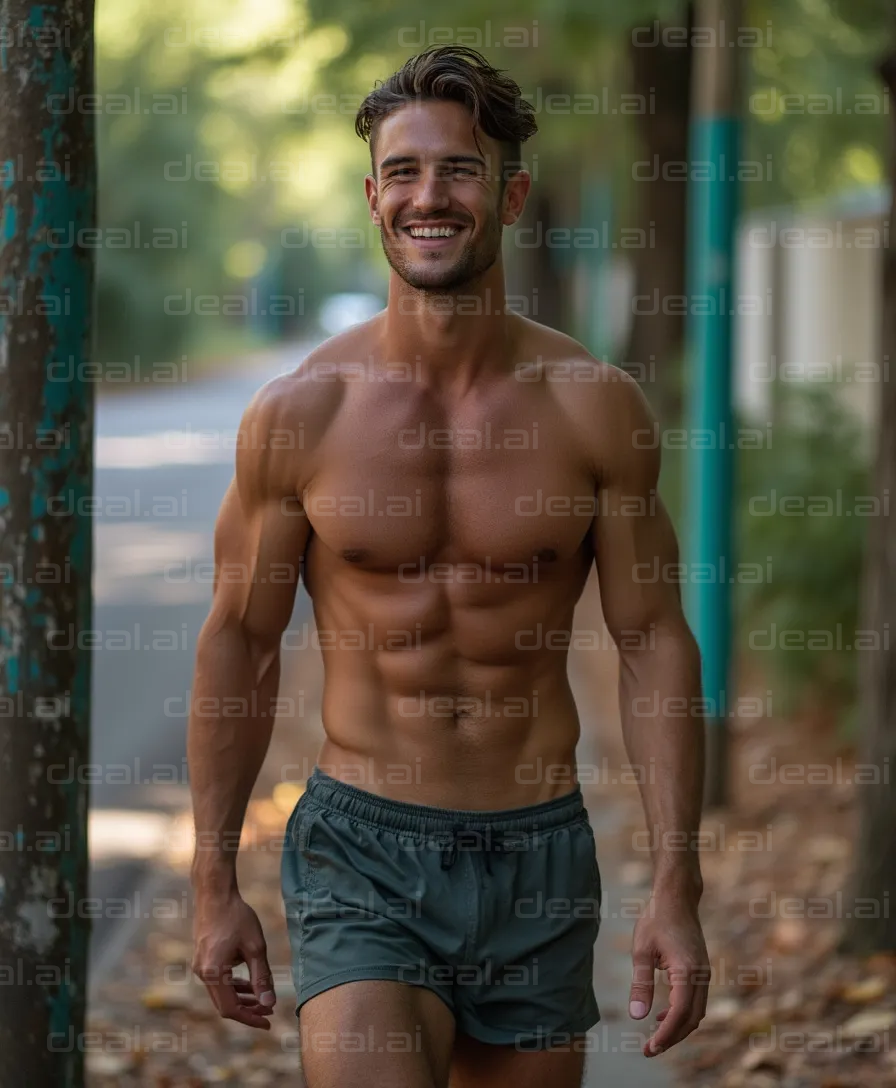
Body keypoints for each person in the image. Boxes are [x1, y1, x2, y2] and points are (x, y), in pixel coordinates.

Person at [188, 44, 709, 1088]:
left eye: (459, 170)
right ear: (373, 196)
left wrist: (674, 883)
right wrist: (213, 879)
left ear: (509, 195)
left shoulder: (591, 405)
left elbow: (650, 638)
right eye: (404, 171)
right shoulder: (300, 414)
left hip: (539, 851)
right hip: (360, 850)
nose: (430, 195)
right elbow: (240, 639)